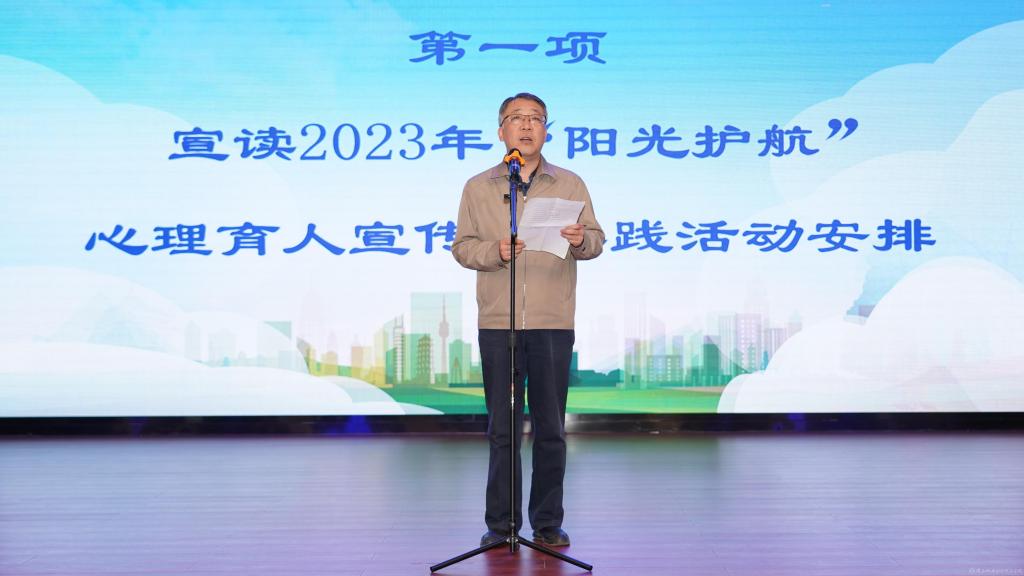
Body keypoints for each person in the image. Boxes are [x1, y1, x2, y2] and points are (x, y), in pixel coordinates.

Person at [452, 93, 605, 548]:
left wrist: (579, 239)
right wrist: (494, 251)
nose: (526, 125)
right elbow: (462, 247)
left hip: (552, 321)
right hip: (498, 323)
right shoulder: (478, 187)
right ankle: (501, 526)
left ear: (546, 130)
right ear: (501, 130)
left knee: (550, 429)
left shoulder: (570, 183)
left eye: (536, 118)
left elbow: (596, 240)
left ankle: (548, 523)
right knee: (502, 430)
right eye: (516, 118)